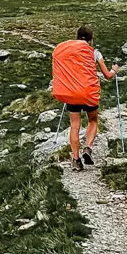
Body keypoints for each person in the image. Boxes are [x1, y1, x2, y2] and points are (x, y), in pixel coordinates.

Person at [50, 25, 118, 171]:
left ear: (77, 36)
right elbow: (107, 76)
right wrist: (115, 70)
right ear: (90, 39)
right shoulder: (95, 53)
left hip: (71, 93)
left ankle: (76, 160)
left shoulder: (69, 52)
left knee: (75, 126)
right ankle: (87, 148)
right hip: (88, 92)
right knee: (93, 120)